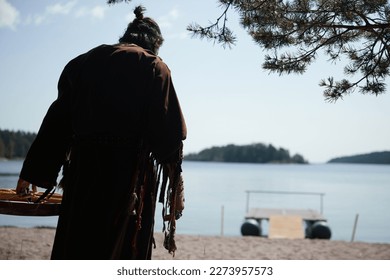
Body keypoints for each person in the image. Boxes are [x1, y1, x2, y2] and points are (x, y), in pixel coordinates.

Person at [15, 6, 186, 260]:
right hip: (129, 183)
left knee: (77, 246)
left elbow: (57, 121)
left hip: (83, 178)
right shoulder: (154, 67)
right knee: (122, 253)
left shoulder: (82, 62)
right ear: (156, 43)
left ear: (126, 35)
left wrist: (31, 173)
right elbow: (169, 135)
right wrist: (176, 190)